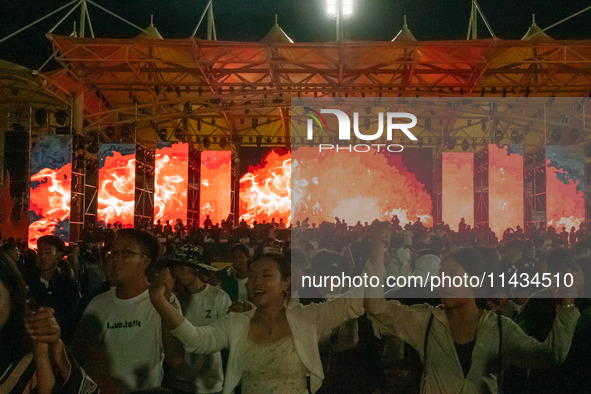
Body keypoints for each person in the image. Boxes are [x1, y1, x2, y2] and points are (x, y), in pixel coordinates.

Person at [365, 223, 581, 394]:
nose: (444, 283)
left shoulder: (498, 328)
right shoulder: (426, 321)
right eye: (441, 276)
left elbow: (549, 356)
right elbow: (376, 306)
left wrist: (568, 303)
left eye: (452, 276)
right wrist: (377, 251)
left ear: (475, 281)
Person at [149, 253, 364, 394]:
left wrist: (377, 250)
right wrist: (161, 301)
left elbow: (355, 301)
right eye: (252, 276)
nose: (257, 282)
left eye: (267, 275)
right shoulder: (237, 323)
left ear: (285, 282)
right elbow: (197, 340)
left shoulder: (306, 318)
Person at [72, 229, 183, 393]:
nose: (116, 258)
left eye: (126, 253)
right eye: (113, 252)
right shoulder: (98, 304)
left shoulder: (164, 301)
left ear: (145, 261)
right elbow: (78, 354)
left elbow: (175, 359)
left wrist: (163, 302)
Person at [0, 253, 98, 393]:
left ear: (13, 297)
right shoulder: (32, 280)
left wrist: (51, 346)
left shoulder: (32, 355)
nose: (43, 256)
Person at [165, 244, 232, 394]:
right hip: (179, 383)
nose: (177, 273)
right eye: (175, 269)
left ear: (196, 269)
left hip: (210, 383)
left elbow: (229, 339)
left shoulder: (218, 297)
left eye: (182, 268)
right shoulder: (174, 301)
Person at [26, 235, 80, 342]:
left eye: (47, 252)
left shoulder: (68, 285)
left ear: (59, 255)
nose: (42, 257)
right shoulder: (27, 281)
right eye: (39, 252)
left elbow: (73, 316)